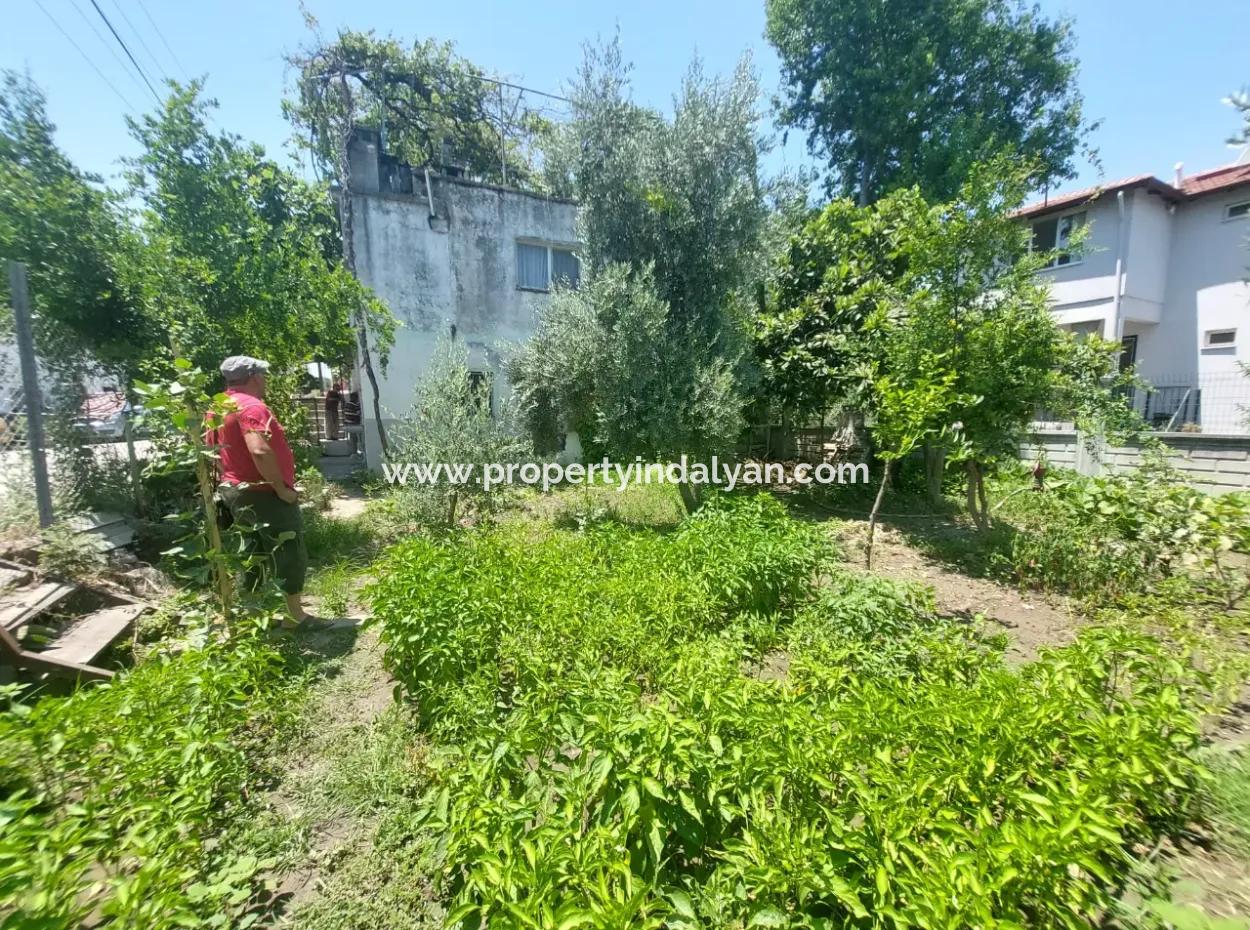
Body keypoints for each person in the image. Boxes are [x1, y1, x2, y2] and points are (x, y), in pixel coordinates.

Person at [213, 355, 313, 627]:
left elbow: (214, 452)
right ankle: (294, 617)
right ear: (256, 377)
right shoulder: (251, 407)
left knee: (251, 552)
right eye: (264, 376)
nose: (265, 381)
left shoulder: (218, 407)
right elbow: (258, 450)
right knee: (288, 549)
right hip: (263, 493)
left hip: (235, 490)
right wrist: (281, 489)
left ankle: (253, 615)